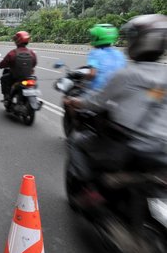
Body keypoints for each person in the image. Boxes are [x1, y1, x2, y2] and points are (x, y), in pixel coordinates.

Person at [64, 14, 167, 180]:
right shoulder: (122, 58)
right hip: (160, 144)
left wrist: (76, 99)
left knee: (77, 141)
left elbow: (94, 82)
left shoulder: (122, 72)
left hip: (121, 130)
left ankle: (89, 190)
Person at [0, 31, 37, 102]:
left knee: (3, 78)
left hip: (15, 77)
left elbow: (3, 63)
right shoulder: (32, 53)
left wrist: (0, 65)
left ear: (17, 41)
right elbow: (34, 64)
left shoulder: (12, 53)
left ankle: (7, 97)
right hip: (28, 77)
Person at [85, 24, 126, 92]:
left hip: (98, 92)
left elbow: (92, 74)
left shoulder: (95, 53)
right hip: (118, 91)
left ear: (96, 38)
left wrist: (84, 81)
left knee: (72, 100)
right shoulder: (119, 54)